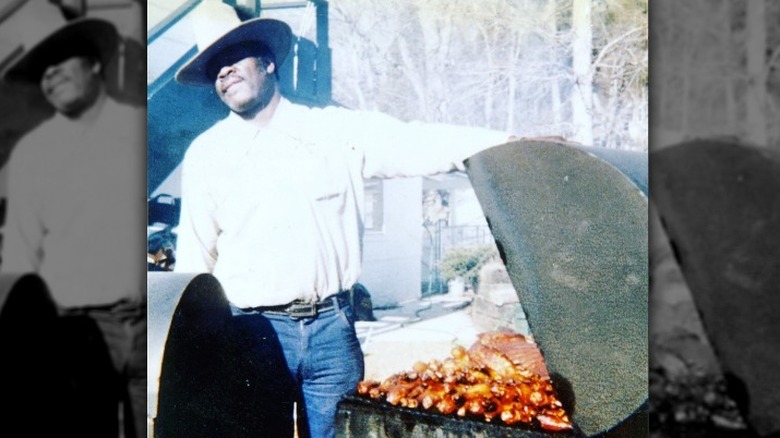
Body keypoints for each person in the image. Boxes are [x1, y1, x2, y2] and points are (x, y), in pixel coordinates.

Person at [171, 9, 513, 438]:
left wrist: (506, 145)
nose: (224, 73)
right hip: (250, 334)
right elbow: (194, 257)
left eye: (233, 57)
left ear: (267, 61)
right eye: (213, 68)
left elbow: (415, 141)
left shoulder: (332, 130)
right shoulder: (207, 154)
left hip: (332, 330)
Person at [0, 17, 146, 438]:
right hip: (71, 340)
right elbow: (20, 257)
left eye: (60, 60)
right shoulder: (32, 152)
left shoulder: (137, 127)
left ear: (95, 62)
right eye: (41, 69)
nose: (51, 74)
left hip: (145, 334)